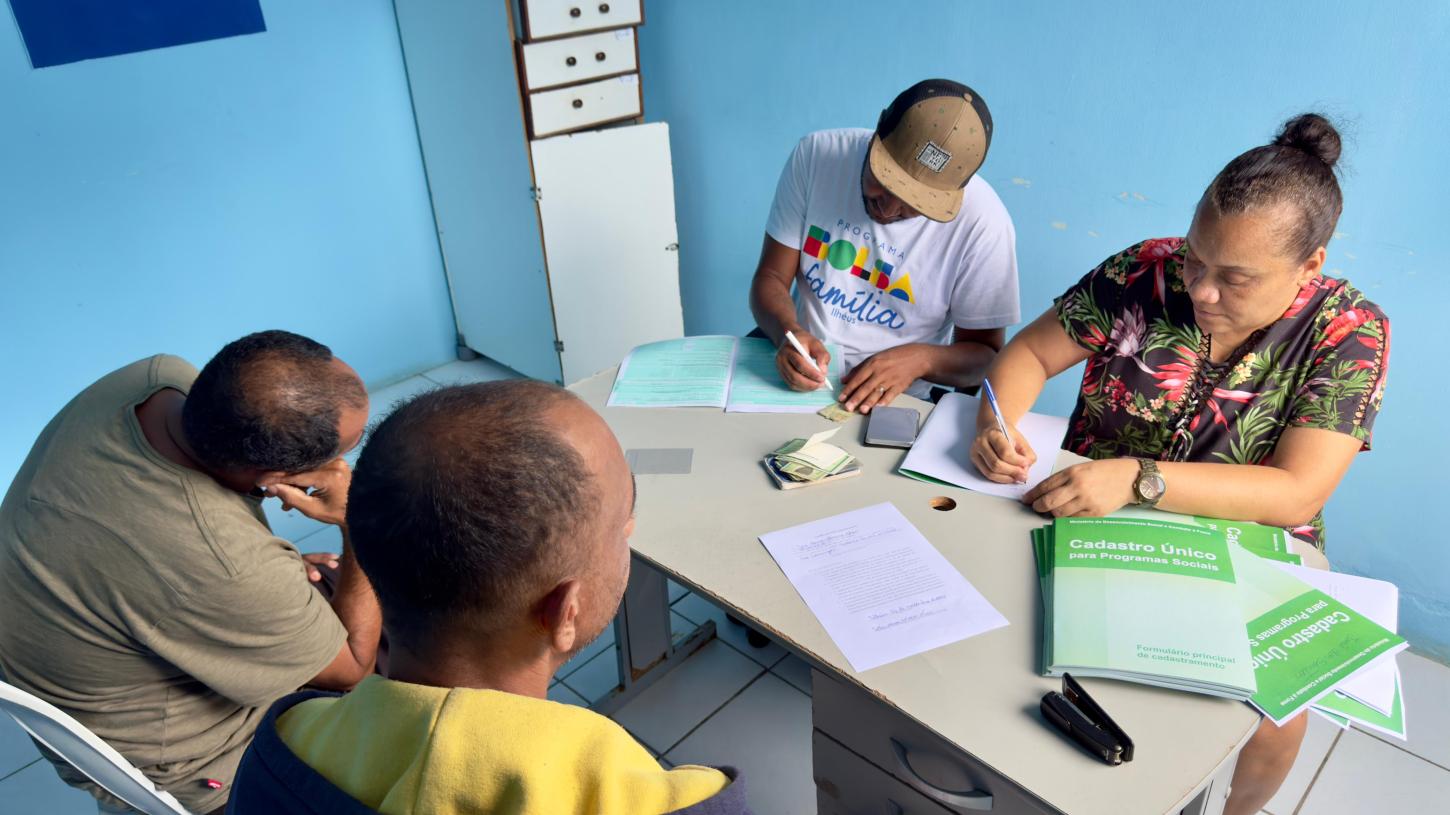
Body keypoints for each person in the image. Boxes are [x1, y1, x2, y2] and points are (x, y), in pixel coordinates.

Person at [971, 114, 1387, 815]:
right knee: (1008, 650)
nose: (1200, 289)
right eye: (1196, 258)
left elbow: (1295, 492)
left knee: (1276, 723)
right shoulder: (1144, 272)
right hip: (1087, 510)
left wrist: (1138, 477)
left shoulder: (1349, 330)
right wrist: (994, 420)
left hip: (1244, 542)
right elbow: (1029, 354)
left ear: (1310, 266)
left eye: (1235, 278)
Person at [230, 381, 750, 815]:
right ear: (564, 613)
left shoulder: (285, 743)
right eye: (622, 530)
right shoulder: (670, 799)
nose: (627, 537)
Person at [0, 330, 384, 814]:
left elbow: (182, 561)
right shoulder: (224, 566)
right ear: (275, 480)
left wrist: (252, 579)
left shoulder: (153, 378)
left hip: (93, 617)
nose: (342, 466)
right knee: (425, 646)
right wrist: (356, 519)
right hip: (200, 767)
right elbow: (352, 665)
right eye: (342, 453)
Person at [750, 78, 1020, 413]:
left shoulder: (984, 224)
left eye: (915, 203)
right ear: (879, 131)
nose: (888, 210)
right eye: (884, 180)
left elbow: (987, 358)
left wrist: (921, 360)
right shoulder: (817, 156)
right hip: (799, 380)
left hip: (898, 401)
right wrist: (788, 334)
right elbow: (771, 277)